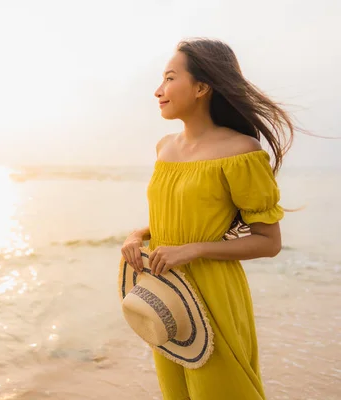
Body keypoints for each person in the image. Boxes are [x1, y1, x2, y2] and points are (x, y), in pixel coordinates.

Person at [120, 38, 296, 400]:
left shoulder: (241, 152)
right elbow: (181, 216)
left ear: (202, 87)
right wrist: (137, 234)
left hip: (213, 296)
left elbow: (269, 241)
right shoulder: (164, 147)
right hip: (167, 299)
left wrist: (193, 250)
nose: (158, 90)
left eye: (170, 78)